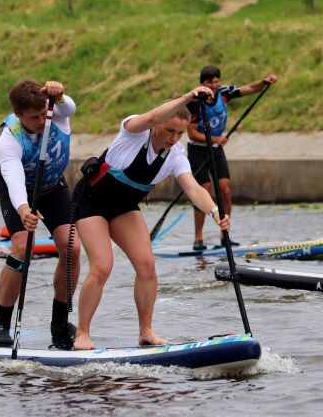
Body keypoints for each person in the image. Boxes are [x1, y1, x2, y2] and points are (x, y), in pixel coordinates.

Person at [72, 88, 231, 351]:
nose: (174, 138)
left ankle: (145, 331)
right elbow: (154, 115)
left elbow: (192, 188)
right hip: (91, 201)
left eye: (180, 133)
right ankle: (82, 333)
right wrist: (189, 96)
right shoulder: (133, 130)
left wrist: (215, 212)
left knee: (147, 265)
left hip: (123, 206)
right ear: (158, 123)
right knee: (102, 266)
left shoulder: (176, 154)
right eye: (170, 131)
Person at [0, 79, 81, 349]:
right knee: (21, 246)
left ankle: (60, 323)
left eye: (44, 114)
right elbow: (13, 178)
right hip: (19, 192)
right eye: (34, 117)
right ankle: (2, 322)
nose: (42, 120)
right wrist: (24, 209)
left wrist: (59, 93)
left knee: (72, 248)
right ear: (18, 115)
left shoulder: (56, 112)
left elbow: (70, 106)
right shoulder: (10, 137)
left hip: (53, 188)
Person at [186, 66, 277, 250]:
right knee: (204, 189)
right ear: (202, 83)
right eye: (210, 82)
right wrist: (216, 138)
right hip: (197, 150)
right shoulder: (195, 102)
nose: (214, 85)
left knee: (225, 190)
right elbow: (192, 132)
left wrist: (264, 82)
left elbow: (248, 89)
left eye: (216, 81)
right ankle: (198, 238)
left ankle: (224, 236)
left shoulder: (224, 93)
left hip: (216, 149)